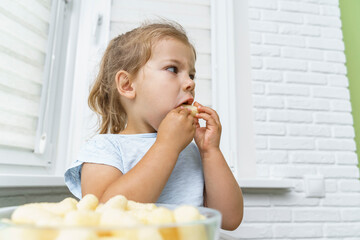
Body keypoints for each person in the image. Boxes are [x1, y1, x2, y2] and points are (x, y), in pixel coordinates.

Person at [64, 20, 243, 230]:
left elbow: (229, 220)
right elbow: (103, 219)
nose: (190, 83)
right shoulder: (104, 149)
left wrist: (210, 151)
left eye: (191, 75)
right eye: (173, 69)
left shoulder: (191, 150)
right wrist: (166, 145)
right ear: (127, 85)